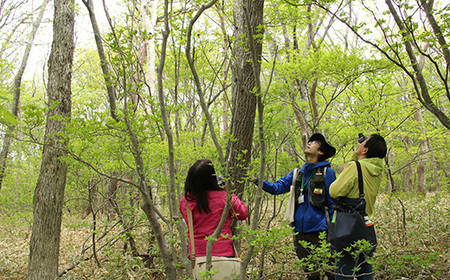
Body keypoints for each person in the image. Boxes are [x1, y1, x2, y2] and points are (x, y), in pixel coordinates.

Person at [251, 133, 336, 280]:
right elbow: (276, 188)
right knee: (311, 274)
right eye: (309, 141)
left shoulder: (327, 173)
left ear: (321, 152)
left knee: (331, 272)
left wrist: (334, 232)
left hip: (321, 232)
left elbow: (334, 204)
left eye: (314, 142)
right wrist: (256, 180)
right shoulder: (298, 173)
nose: (309, 143)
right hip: (299, 232)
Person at [329, 133, 387, 280]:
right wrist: (354, 159)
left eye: (363, 143)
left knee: (343, 271)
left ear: (365, 150)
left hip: (348, 227)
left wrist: (346, 169)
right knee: (366, 271)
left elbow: (334, 192)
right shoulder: (377, 168)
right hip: (367, 225)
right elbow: (360, 166)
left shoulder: (354, 167)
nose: (359, 144)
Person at [179, 159, 248, 278]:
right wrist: (228, 191)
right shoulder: (224, 197)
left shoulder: (186, 201)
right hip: (224, 255)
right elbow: (243, 214)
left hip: (198, 257)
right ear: (212, 178)